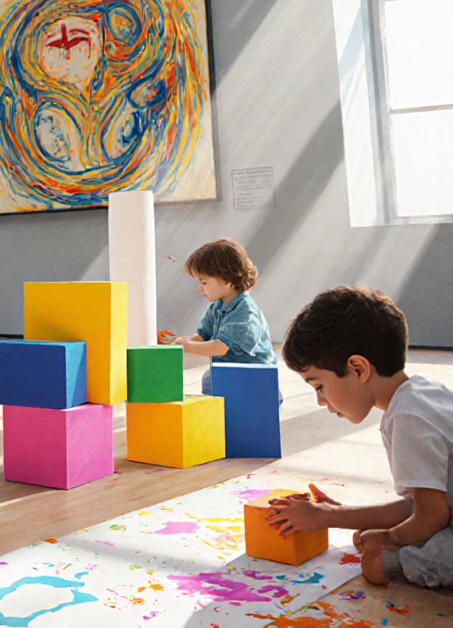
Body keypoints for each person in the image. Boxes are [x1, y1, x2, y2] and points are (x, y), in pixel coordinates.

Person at [269, 286, 453, 588]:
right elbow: (419, 505)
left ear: (358, 368)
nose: (320, 401)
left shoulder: (409, 417)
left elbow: (432, 517)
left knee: (407, 555)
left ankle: (396, 565)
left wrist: (389, 540)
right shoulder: (420, 396)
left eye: (319, 386)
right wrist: (331, 514)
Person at [159, 238, 276, 397]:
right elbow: (201, 337)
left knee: (211, 380)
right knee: (210, 379)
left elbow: (220, 347)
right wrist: (176, 341)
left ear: (228, 281)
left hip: (254, 379)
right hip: (230, 373)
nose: (200, 288)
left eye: (204, 282)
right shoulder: (217, 306)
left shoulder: (245, 312)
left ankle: (266, 398)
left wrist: (185, 346)